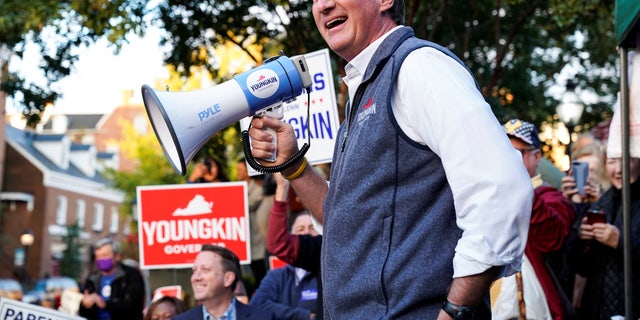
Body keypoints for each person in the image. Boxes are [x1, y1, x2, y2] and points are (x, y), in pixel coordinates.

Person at [247, 0, 533, 318]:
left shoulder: (419, 67)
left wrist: (454, 311)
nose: (323, 5)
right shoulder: (363, 95)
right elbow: (346, 224)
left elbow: (502, 192)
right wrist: (293, 166)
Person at [492, 119, 577, 320]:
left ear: (536, 156)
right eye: (504, 152)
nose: (509, 160)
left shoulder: (551, 197)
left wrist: (520, 187)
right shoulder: (491, 194)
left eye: (517, 153)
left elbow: (551, 239)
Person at [566, 155, 640, 319]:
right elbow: (579, 266)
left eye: (628, 160)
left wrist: (620, 242)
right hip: (598, 309)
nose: (619, 170)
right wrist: (583, 242)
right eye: (612, 161)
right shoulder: (603, 201)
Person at [172, 244, 274, 320]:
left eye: (205, 270)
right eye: (194, 271)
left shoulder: (262, 318)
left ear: (228, 278)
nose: (196, 277)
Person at [250, 209, 320, 320]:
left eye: (313, 228)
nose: (306, 232)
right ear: (291, 237)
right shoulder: (277, 275)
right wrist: (306, 316)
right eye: (300, 229)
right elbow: (258, 304)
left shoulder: (329, 274)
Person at [79, 237, 145, 320]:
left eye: (105, 255)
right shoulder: (92, 278)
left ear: (117, 256)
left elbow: (132, 305)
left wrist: (105, 304)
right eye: (98, 256)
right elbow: (84, 313)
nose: (101, 259)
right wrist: (85, 304)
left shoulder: (131, 276)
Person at [236, 158, 268, 295]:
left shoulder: (258, 190)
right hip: (241, 237)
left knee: (258, 271)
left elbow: (244, 205)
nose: (238, 173)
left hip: (254, 237)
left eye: (240, 170)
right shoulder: (236, 188)